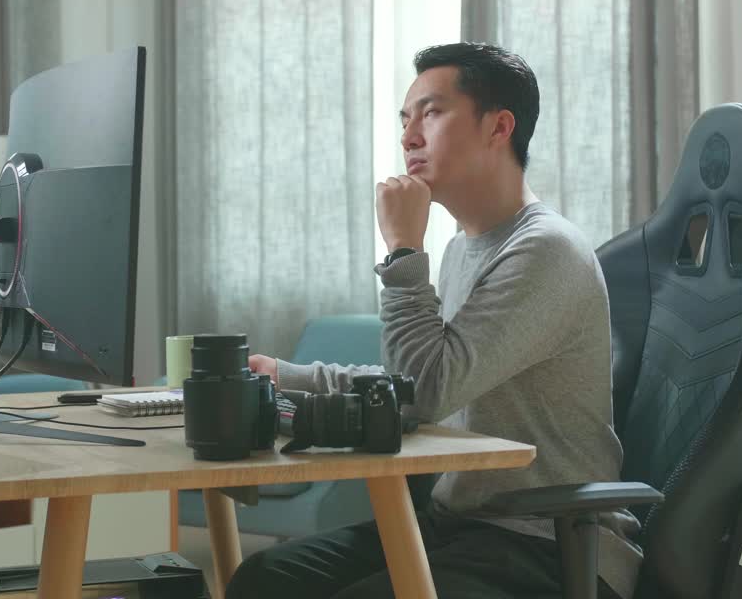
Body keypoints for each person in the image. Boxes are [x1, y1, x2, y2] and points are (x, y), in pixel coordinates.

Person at [226, 43, 640, 599]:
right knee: (264, 579)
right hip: (461, 526)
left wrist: (401, 253)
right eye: (405, 118)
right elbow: (410, 382)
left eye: (432, 112)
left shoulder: (545, 251)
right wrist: (286, 376)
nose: (408, 137)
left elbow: (422, 392)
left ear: (499, 127)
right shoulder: (463, 250)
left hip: (547, 541)